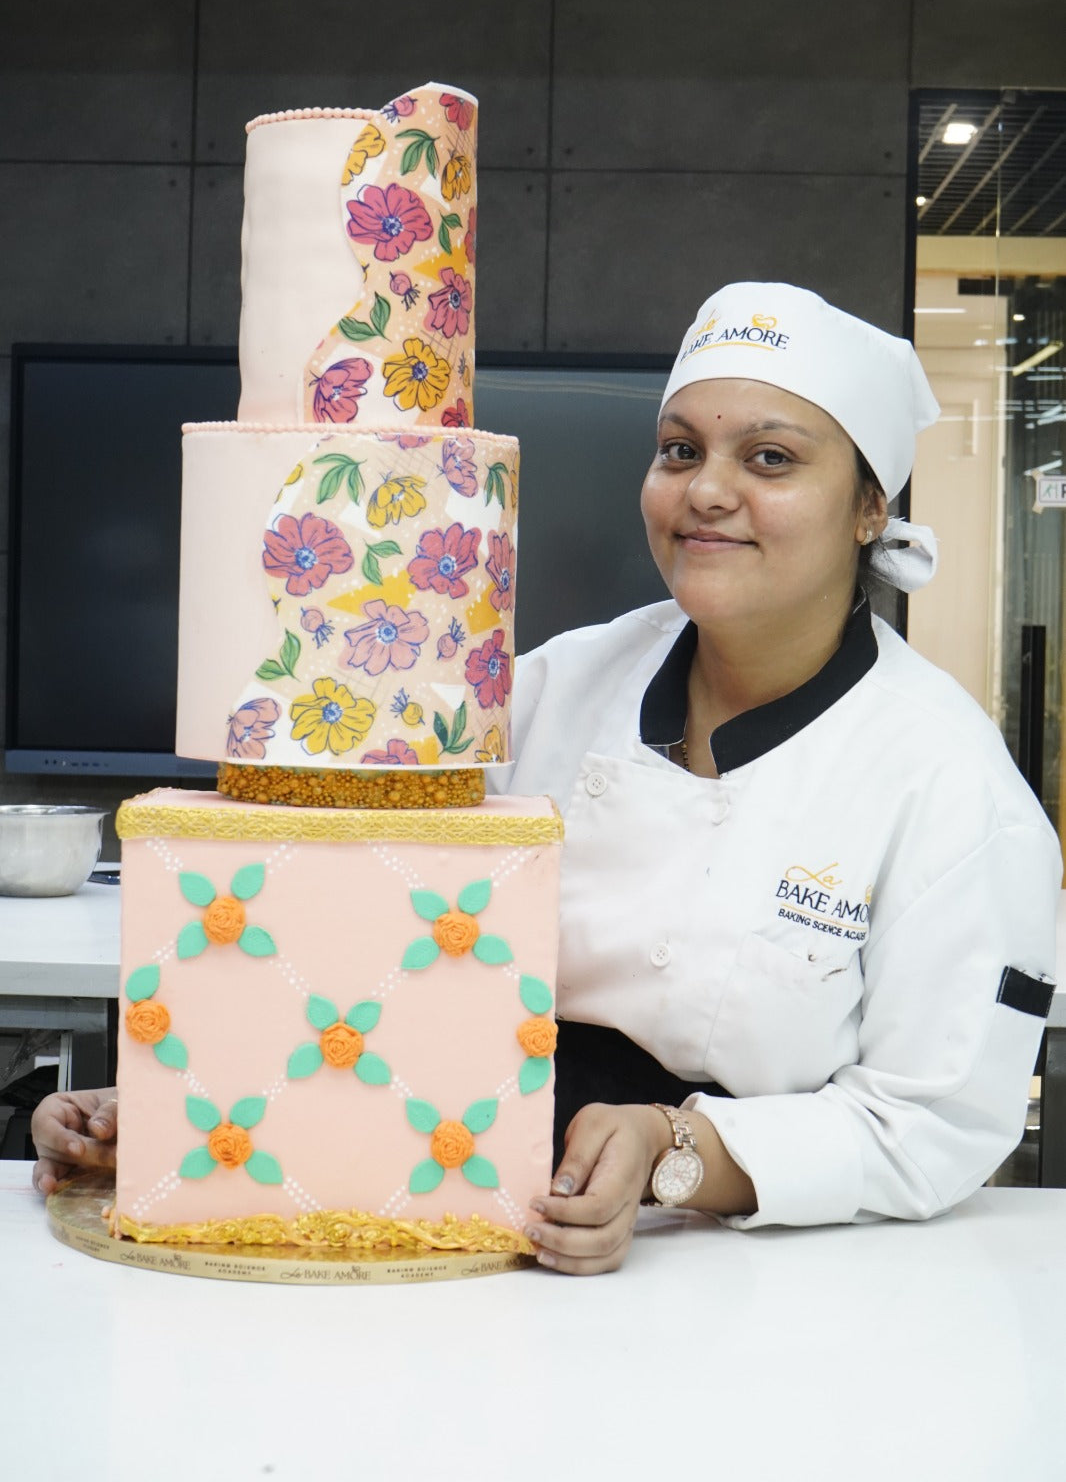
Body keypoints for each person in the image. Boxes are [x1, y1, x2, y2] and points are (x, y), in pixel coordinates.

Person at [32, 282, 1061, 1278]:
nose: (706, 489)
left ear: (869, 507)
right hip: (458, 1212)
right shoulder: (541, 692)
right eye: (680, 450)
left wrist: (680, 1151)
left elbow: (937, 1123)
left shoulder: (947, 784)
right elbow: (359, 953)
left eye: (771, 458)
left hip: (753, 1281)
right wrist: (185, 1108)